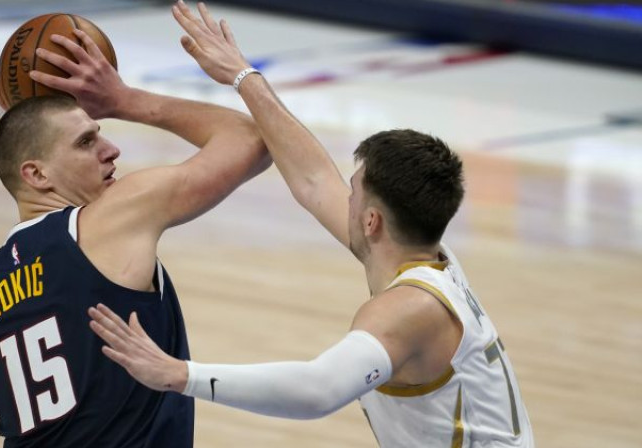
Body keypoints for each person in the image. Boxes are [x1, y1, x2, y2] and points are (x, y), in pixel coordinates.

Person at [87, 2, 534, 447]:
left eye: (354, 190)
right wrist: (242, 76)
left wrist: (179, 374)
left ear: (372, 220)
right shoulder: (430, 258)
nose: (345, 195)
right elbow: (313, 178)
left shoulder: (409, 309)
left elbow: (317, 390)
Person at [0, 25, 270, 447]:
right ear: (36, 174)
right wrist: (123, 100)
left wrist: (24, 117)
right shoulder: (108, 221)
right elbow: (251, 139)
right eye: (87, 142)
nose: (111, 150)